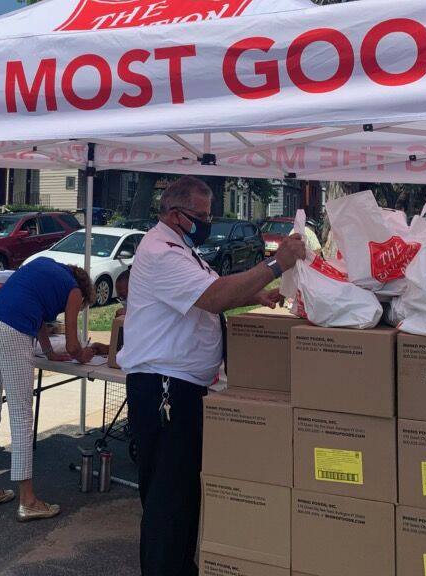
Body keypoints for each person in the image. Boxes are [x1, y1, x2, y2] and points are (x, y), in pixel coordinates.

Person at [117, 177, 307, 576]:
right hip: (164, 390)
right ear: (174, 214)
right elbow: (215, 297)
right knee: (168, 501)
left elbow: (210, 290)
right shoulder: (162, 252)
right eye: (200, 216)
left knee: (182, 494)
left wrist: (254, 294)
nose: (207, 223)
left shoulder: (181, 248)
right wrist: (276, 264)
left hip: (181, 387)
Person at [0, 256, 96, 521]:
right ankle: (28, 501)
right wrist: (85, 354)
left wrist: (49, 352)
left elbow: (38, 317)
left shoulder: (42, 264)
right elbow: (73, 345)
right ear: (84, 290)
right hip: (13, 331)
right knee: (21, 416)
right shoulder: (74, 291)